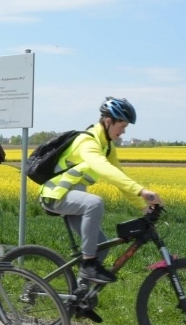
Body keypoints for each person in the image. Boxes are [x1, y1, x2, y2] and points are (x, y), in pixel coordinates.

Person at [38, 97, 163, 294]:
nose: (123, 131)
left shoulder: (107, 147)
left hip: (74, 200)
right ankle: (88, 265)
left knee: (101, 246)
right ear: (108, 121)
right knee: (94, 203)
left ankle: (80, 296)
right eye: (122, 125)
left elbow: (119, 177)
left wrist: (143, 205)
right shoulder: (87, 141)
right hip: (55, 196)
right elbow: (103, 168)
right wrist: (142, 190)